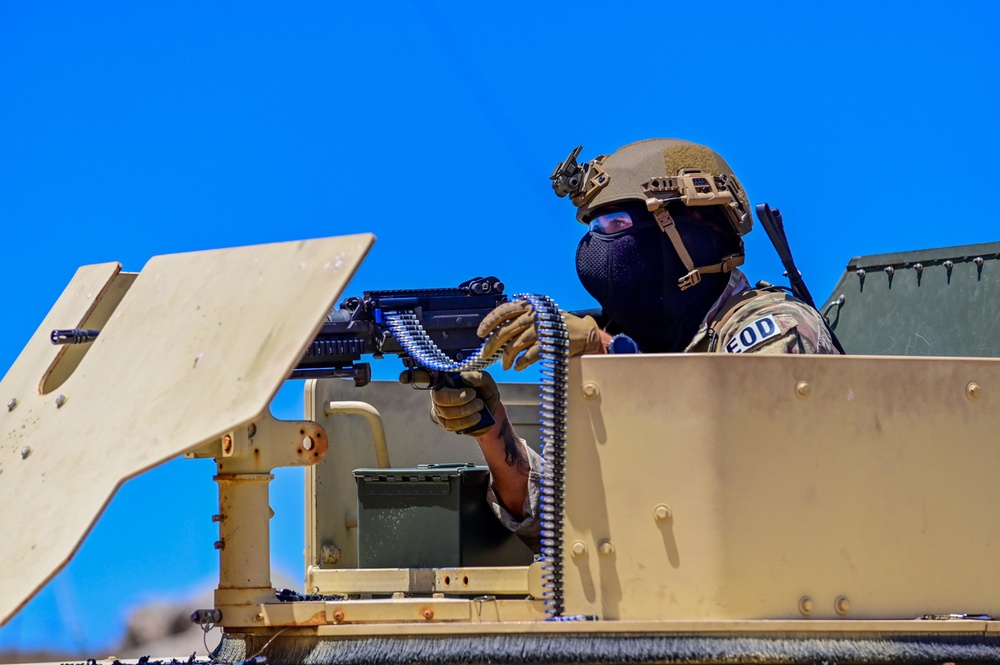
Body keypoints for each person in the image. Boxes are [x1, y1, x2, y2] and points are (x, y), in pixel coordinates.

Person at [405, 138, 841, 550]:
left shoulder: (776, 328)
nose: (599, 245)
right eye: (594, 227)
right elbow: (566, 528)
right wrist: (491, 430)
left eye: (618, 224)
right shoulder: (640, 344)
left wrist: (606, 353)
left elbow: (746, 474)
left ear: (692, 232)